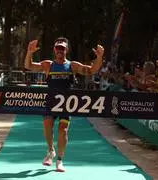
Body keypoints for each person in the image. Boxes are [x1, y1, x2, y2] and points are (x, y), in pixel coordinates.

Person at [24, 37, 104, 172]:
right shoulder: (48, 65)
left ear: (66, 50)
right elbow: (28, 66)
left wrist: (99, 57)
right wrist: (29, 52)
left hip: (66, 103)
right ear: (54, 50)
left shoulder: (72, 66)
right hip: (51, 101)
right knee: (47, 124)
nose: (60, 51)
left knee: (63, 130)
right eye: (58, 48)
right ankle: (50, 151)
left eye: (62, 48)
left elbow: (91, 70)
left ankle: (60, 160)